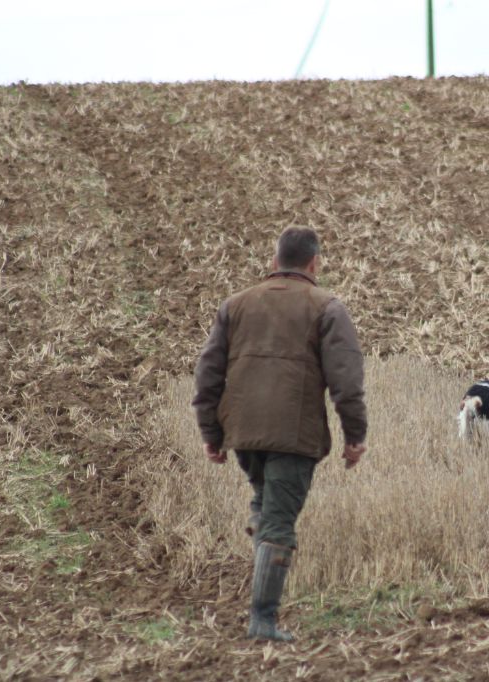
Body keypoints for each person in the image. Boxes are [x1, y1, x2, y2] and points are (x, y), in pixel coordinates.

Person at [192, 226, 368, 642]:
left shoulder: (235, 305)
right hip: (294, 436)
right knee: (278, 525)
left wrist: (211, 432)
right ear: (314, 263)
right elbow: (347, 382)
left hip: (244, 435)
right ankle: (262, 621)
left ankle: (262, 598)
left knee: (265, 504)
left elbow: (207, 375)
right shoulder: (327, 307)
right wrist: (354, 435)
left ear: (274, 262)